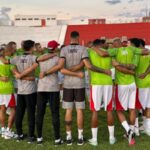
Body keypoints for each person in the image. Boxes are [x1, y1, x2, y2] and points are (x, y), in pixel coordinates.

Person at [38, 31, 111, 146]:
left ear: (70, 38)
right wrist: (77, 72)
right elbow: (86, 65)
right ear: (78, 38)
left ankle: (68, 137)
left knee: (68, 110)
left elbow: (60, 67)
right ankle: (80, 137)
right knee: (79, 110)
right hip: (79, 83)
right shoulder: (83, 49)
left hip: (67, 83)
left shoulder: (64, 49)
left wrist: (48, 72)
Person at [92, 38, 144, 145]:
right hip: (132, 84)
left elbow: (103, 53)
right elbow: (133, 66)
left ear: (115, 45)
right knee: (132, 109)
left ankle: (128, 130)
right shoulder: (131, 50)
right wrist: (132, 72)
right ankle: (132, 132)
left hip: (121, 85)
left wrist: (93, 47)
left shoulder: (114, 52)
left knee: (119, 110)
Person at [88, 39, 116, 146]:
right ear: (101, 44)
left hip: (96, 83)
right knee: (109, 110)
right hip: (108, 82)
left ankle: (94, 140)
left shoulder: (90, 51)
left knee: (95, 111)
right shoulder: (108, 53)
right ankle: (112, 138)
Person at [36, 40, 63, 145]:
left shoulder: (41, 57)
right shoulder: (57, 58)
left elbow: (38, 60)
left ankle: (39, 138)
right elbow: (59, 67)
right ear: (55, 48)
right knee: (55, 113)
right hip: (53, 88)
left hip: (42, 87)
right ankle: (57, 139)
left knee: (40, 113)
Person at [0, 47, 17, 139]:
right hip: (8, 89)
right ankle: (8, 131)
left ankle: (2, 129)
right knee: (13, 110)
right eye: (12, 49)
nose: (13, 51)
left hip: (0, 89)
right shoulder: (9, 62)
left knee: (2, 109)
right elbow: (16, 73)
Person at [135, 39, 150, 136]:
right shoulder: (148, 52)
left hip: (139, 83)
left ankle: (135, 129)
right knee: (148, 105)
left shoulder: (137, 54)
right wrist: (146, 73)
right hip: (148, 81)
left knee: (136, 106)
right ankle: (147, 127)